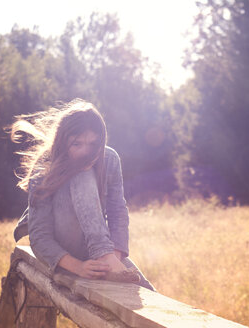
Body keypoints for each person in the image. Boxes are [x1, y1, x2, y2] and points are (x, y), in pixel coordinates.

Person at [10, 98, 155, 290]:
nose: (86, 151)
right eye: (77, 144)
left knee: (147, 295)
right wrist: (78, 267)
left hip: (102, 253)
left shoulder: (109, 158)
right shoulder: (45, 165)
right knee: (83, 174)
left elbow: (117, 211)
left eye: (93, 144)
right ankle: (103, 254)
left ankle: (106, 256)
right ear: (62, 141)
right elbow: (39, 236)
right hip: (65, 252)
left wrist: (114, 258)